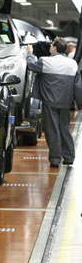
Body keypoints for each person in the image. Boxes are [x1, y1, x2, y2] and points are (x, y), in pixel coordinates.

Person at [26, 37, 82, 167]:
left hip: (50, 102)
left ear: (55, 48)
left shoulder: (45, 61)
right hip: (65, 103)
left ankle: (55, 159)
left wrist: (30, 53)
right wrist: (80, 103)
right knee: (64, 129)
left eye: (51, 45)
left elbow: (31, 65)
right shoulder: (72, 64)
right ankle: (69, 157)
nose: (50, 47)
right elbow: (78, 86)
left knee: (52, 130)